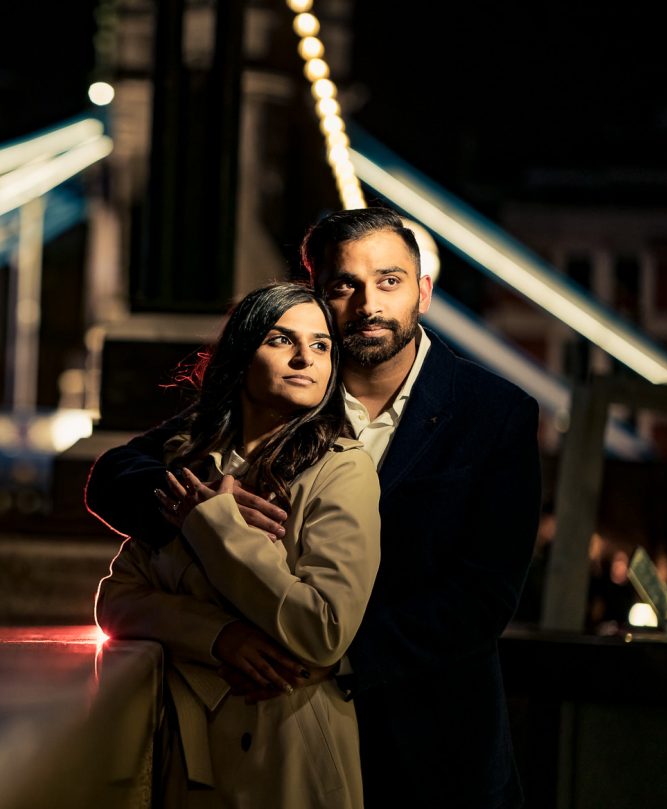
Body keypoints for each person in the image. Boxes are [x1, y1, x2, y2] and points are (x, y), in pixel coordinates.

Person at [87, 207, 542, 809]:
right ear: (317, 296)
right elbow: (116, 475)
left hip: (430, 743)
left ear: (422, 292)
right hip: (284, 740)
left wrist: (321, 655)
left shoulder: (495, 412)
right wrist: (198, 515)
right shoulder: (284, 397)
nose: (368, 303)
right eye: (343, 286)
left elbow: (483, 595)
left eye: (389, 281)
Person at [95, 282, 381, 809]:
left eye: (321, 345)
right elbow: (116, 602)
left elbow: (323, 629)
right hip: (185, 752)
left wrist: (212, 524)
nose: (304, 358)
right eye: (281, 340)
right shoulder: (189, 460)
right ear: (241, 354)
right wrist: (218, 636)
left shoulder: (342, 469)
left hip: (284, 746)